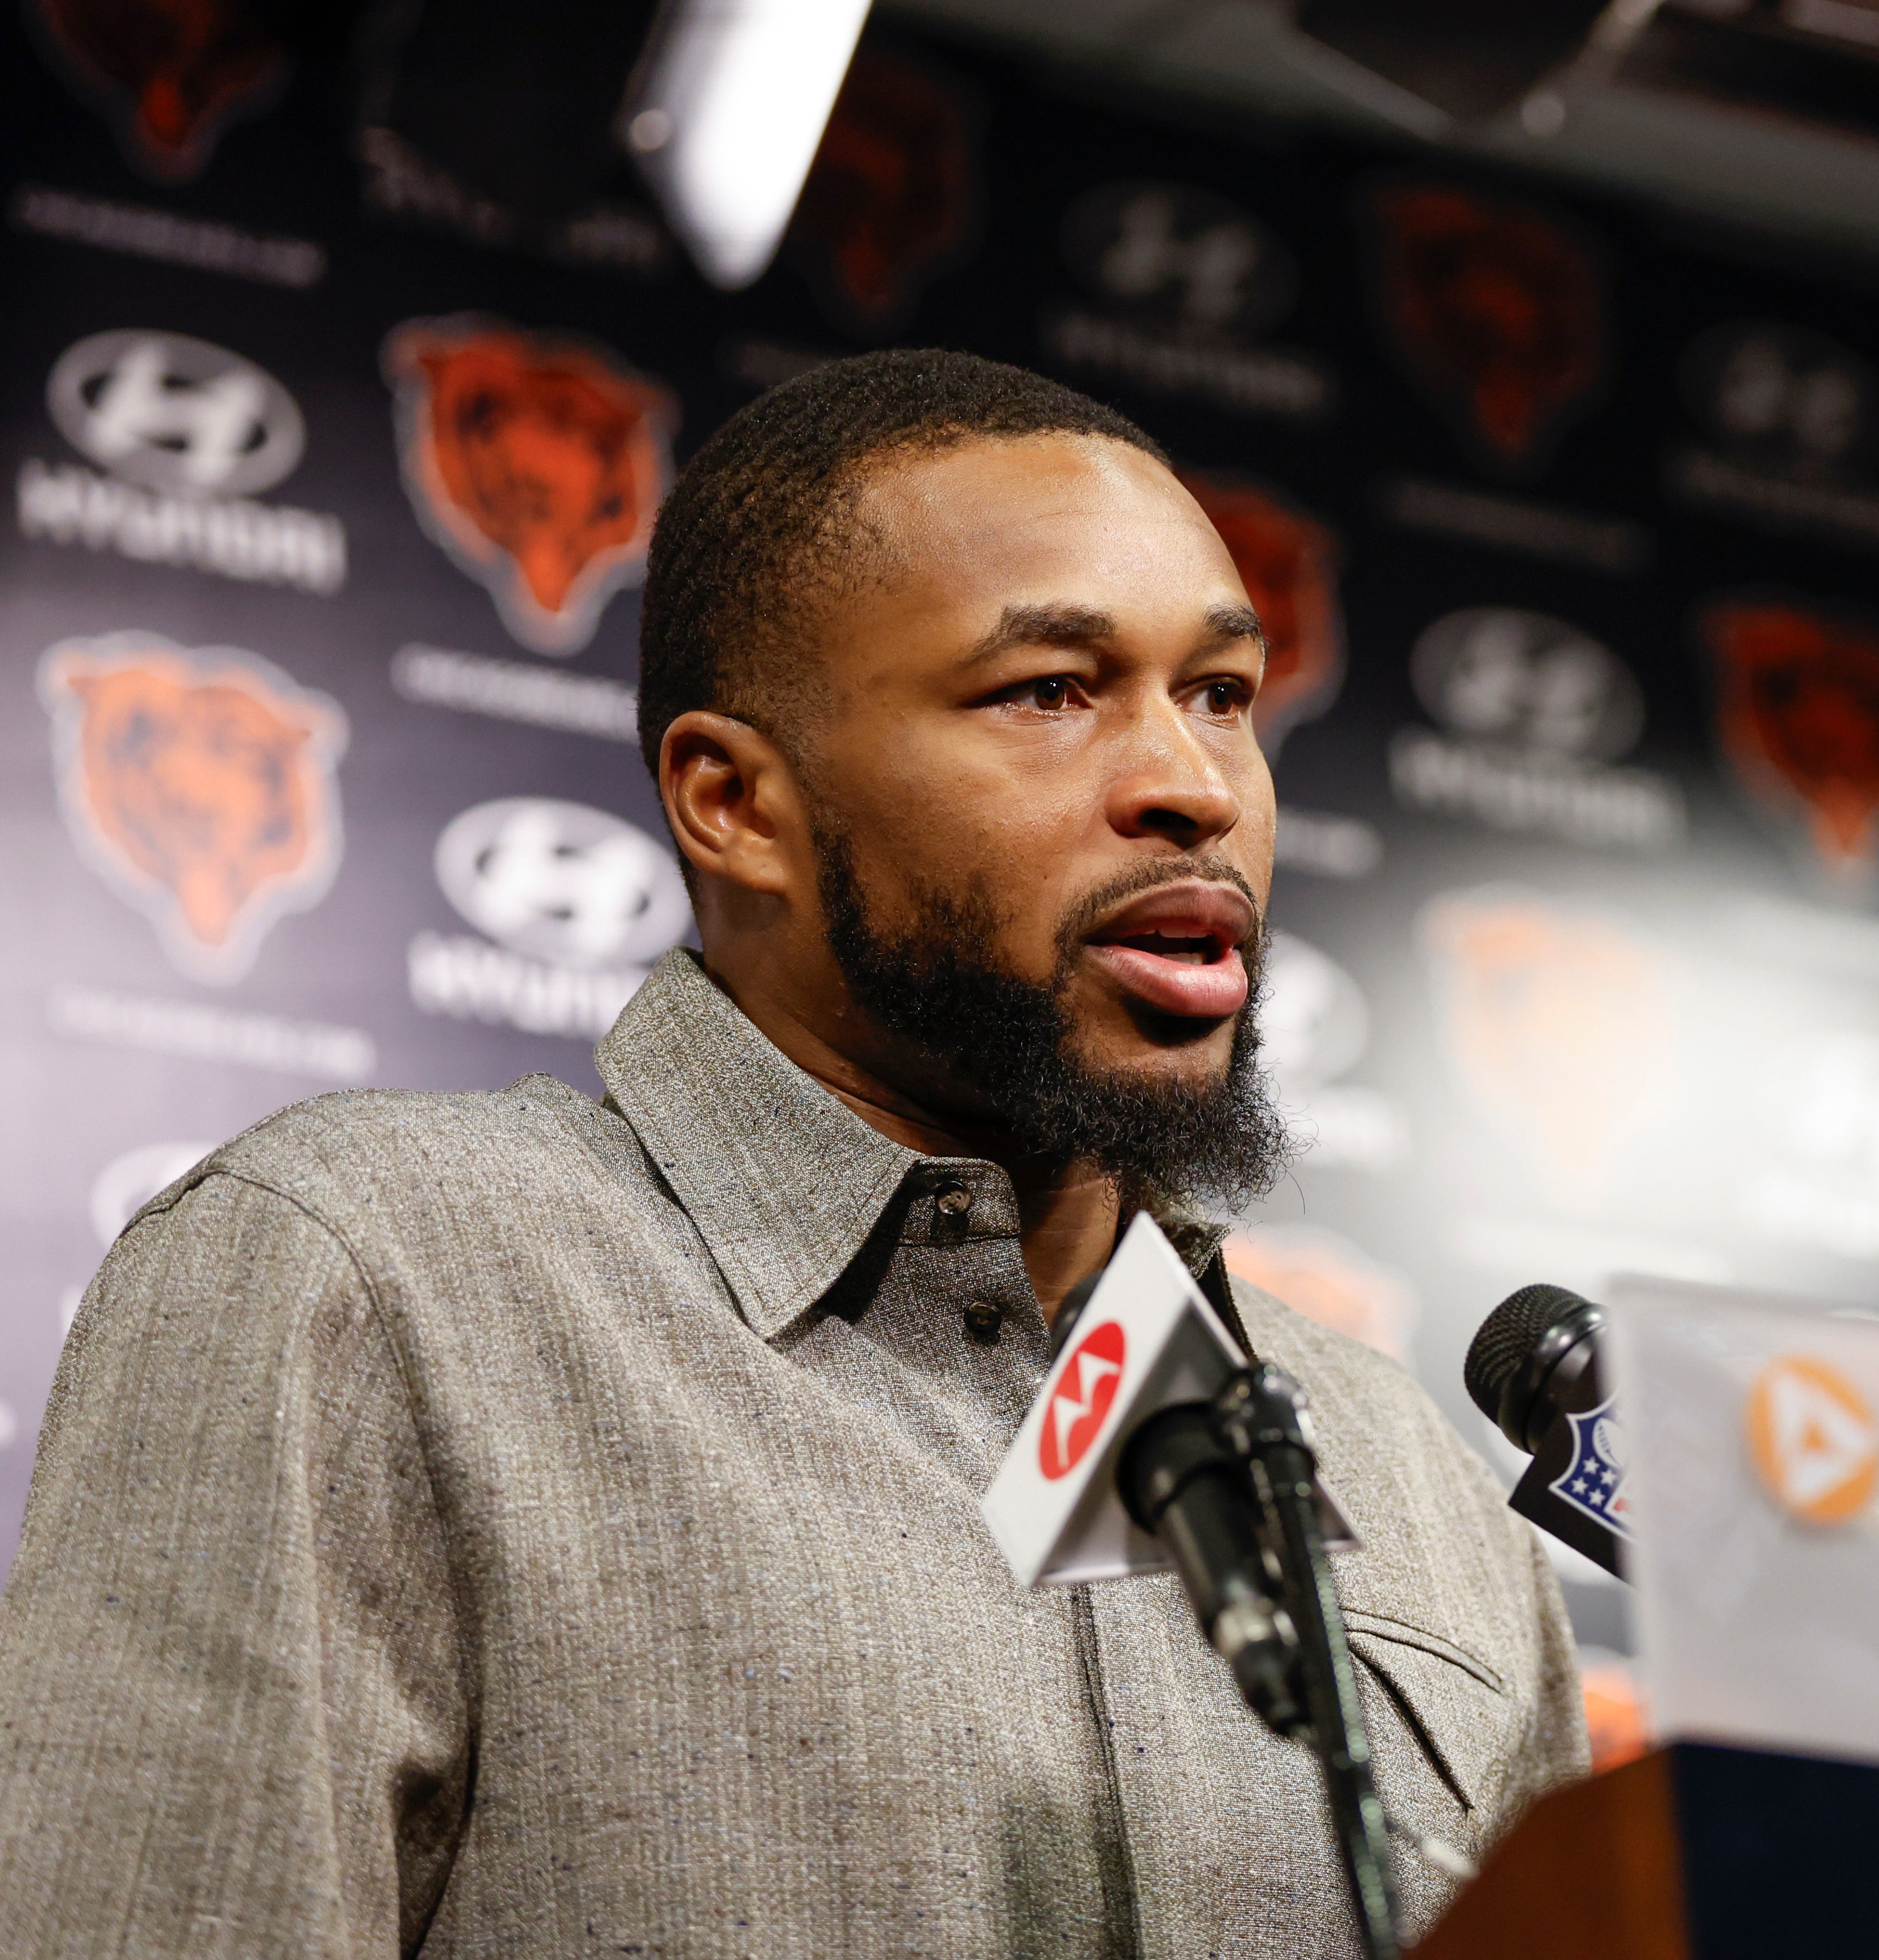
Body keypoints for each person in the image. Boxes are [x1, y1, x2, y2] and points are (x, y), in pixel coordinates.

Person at [0, 351, 1584, 1954]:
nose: (1192, 787)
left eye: (1223, 693)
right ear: (735, 801)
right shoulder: (368, 1285)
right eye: (1049, 691)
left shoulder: (1400, 1471)